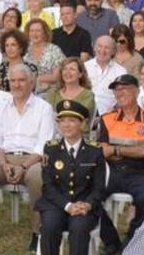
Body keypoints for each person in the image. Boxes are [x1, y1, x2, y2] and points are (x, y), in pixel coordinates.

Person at [0, 64, 55, 248]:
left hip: (32, 160)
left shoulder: (44, 108)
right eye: (13, 81)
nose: (17, 85)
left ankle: (38, 232)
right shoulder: (0, 107)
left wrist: (23, 167)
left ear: (31, 82)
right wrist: (3, 165)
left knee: (37, 176)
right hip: (5, 159)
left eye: (21, 80)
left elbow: (44, 145)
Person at [97, 73, 144, 252]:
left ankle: (130, 242)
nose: (120, 92)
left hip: (139, 173)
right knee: (89, 196)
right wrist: (133, 150)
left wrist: (116, 149)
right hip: (111, 171)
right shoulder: (107, 119)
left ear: (137, 91)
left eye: (124, 88)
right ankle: (111, 241)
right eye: (116, 89)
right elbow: (103, 150)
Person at [36, 99, 107, 255]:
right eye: (62, 121)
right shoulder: (51, 148)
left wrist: (88, 205)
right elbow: (48, 186)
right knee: (49, 225)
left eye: (72, 120)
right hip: (56, 204)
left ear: (82, 124)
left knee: (79, 228)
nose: (66, 125)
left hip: (83, 205)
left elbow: (99, 187)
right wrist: (67, 206)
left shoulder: (94, 151)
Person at [44, 58, 98, 134]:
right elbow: (47, 118)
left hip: (79, 136)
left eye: (72, 69)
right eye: (65, 69)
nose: (67, 72)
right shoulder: (53, 94)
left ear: (80, 74)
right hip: (54, 135)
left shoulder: (87, 95)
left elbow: (80, 120)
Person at [86, 36, 129, 115]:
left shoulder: (121, 71)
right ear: (94, 48)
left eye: (107, 48)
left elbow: (124, 96)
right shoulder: (84, 67)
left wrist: (114, 112)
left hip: (109, 116)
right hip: (83, 115)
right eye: (99, 46)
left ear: (113, 51)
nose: (102, 51)